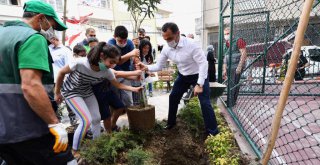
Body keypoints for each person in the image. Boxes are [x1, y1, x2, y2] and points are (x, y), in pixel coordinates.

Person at [0, 1, 76, 164]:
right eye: (52, 25)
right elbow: (31, 86)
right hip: (29, 127)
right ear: (41, 18)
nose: (52, 31)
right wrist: (54, 123)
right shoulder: (32, 38)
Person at [54, 42, 142, 157]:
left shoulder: (106, 71)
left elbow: (118, 85)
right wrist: (57, 93)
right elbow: (61, 73)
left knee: (96, 118)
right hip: (71, 92)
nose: (112, 65)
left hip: (87, 92)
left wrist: (133, 89)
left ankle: (96, 145)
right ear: (101, 56)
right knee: (86, 121)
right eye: (111, 62)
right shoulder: (80, 62)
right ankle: (75, 151)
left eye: (115, 63)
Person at [137, 22, 219, 136]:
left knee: (205, 102)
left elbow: (203, 64)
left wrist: (199, 84)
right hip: (183, 76)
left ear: (178, 33)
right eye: (165, 39)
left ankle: (213, 132)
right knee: (173, 97)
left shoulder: (192, 44)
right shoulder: (167, 48)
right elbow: (159, 66)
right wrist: (146, 67)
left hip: (198, 75)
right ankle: (171, 124)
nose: (168, 41)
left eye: (170, 38)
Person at [49, 35, 77, 125]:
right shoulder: (48, 49)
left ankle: (73, 119)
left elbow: (69, 65)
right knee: (54, 101)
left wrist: (67, 79)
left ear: (55, 39)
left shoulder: (65, 50)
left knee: (68, 99)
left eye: (51, 40)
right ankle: (57, 120)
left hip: (62, 79)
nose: (50, 42)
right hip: (51, 80)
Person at [108, 25, 139, 106]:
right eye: (120, 41)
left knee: (128, 100)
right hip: (113, 76)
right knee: (116, 102)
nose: (123, 43)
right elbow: (118, 61)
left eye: (124, 40)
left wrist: (138, 65)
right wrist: (130, 54)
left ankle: (131, 117)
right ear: (114, 37)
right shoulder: (110, 44)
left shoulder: (129, 43)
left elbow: (135, 58)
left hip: (126, 74)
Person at [223, 27, 247, 107]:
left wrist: (240, 66)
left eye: (228, 34)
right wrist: (224, 69)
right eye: (225, 34)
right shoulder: (225, 44)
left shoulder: (238, 40)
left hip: (236, 65)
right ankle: (230, 100)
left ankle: (231, 102)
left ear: (232, 33)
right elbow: (225, 57)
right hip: (229, 66)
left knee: (234, 83)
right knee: (230, 84)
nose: (226, 35)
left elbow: (244, 53)